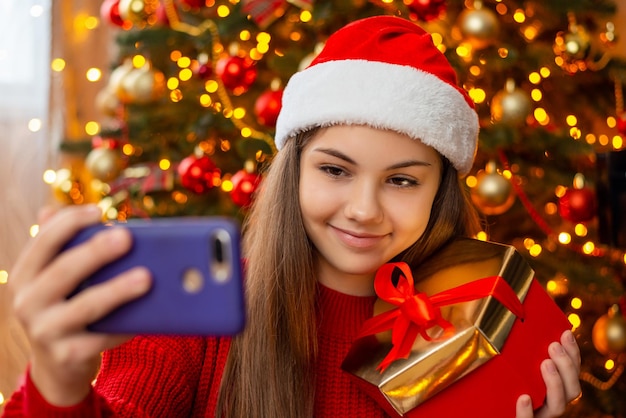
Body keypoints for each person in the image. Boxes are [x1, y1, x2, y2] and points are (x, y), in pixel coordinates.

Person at [3, 15, 581, 418]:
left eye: (402, 180)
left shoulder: (471, 328)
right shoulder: (197, 313)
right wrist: (58, 387)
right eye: (335, 170)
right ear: (294, 171)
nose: (362, 209)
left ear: (440, 193)